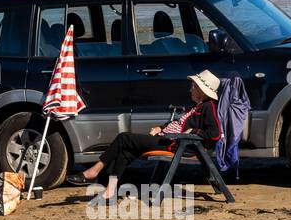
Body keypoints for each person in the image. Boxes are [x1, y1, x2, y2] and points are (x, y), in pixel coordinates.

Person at [70, 70, 222, 199]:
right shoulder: (196, 106)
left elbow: (215, 133)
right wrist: (160, 127)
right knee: (125, 151)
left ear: (201, 91)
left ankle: (94, 170)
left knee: (124, 137)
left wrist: (194, 132)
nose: (190, 90)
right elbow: (178, 124)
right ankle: (110, 190)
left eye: (193, 87)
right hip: (168, 139)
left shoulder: (208, 107)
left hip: (177, 145)